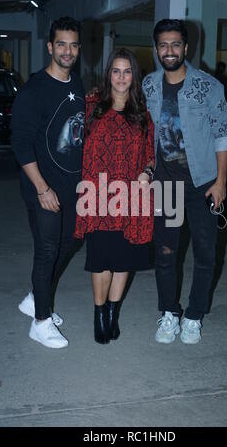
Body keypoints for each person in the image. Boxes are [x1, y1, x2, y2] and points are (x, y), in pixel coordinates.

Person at [142, 19, 227, 345]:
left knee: (205, 254)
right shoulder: (149, 85)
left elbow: (223, 134)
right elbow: (146, 131)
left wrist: (220, 182)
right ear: (157, 49)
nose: (169, 51)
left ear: (186, 48)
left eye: (175, 44)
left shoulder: (209, 87)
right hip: (166, 187)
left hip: (203, 184)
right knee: (165, 253)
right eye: (163, 45)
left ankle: (194, 315)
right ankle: (169, 312)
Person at [11, 16, 85, 348]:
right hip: (43, 189)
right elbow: (21, 145)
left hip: (71, 187)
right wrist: (42, 188)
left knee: (70, 242)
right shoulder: (33, 91)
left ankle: (34, 299)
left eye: (73, 45)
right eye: (61, 44)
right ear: (50, 46)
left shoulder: (78, 85)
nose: (67, 51)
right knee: (47, 251)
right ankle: (41, 321)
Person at [74, 48, 154, 344]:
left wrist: (147, 171)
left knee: (123, 261)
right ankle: (98, 313)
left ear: (134, 76)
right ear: (109, 74)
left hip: (130, 197)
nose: (121, 77)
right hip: (96, 197)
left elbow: (150, 154)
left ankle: (112, 312)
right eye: (116, 71)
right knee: (100, 260)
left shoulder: (142, 114)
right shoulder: (91, 106)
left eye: (127, 71)